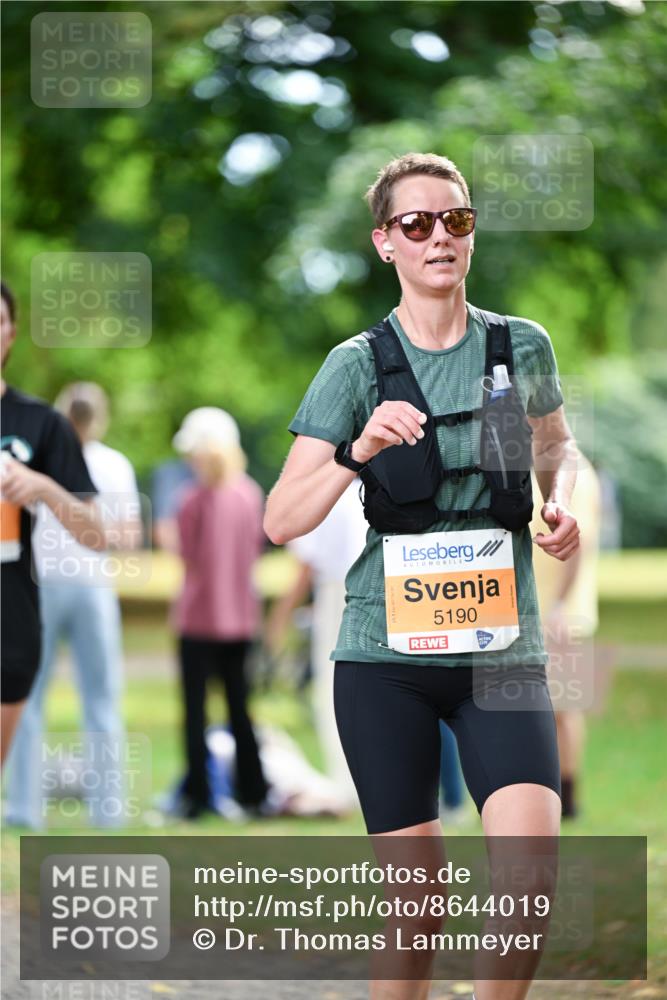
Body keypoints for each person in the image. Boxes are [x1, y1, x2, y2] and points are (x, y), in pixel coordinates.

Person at [264, 153, 580, 1000]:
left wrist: (559, 502)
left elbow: (556, 447)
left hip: (499, 654)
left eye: (456, 220)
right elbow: (281, 518)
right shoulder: (357, 363)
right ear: (385, 243)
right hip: (384, 658)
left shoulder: (519, 345)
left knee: (527, 881)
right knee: (417, 905)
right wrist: (357, 448)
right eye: (417, 224)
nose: (439, 236)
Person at [5, 383, 142, 828]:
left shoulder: (38, 453)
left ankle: (24, 808)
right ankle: (109, 810)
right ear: (99, 418)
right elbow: (128, 538)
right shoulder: (115, 463)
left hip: (41, 585)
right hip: (93, 587)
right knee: (102, 701)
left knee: (27, 700)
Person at [1, 282, 105, 766]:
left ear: (11, 334)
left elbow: (98, 534)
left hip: (10, 614)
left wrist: (41, 487)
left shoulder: (41, 423)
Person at [171, 407, 269, 819]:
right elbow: (255, 550)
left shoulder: (190, 500)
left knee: (195, 711)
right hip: (241, 619)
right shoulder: (250, 495)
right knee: (240, 709)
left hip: (197, 619)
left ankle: (198, 795)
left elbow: (189, 557)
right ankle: (253, 792)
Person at [265, 480, 366, 813]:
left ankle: (348, 783)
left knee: (334, 690)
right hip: (371, 590)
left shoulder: (326, 493)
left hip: (340, 592)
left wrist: (279, 618)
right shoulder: (364, 489)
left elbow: (307, 566)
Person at [531, 453, 601, 819]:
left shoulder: (571, 468)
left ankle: (567, 799)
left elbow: (579, 541)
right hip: (526, 613)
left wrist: (558, 605)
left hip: (561, 615)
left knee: (562, 710)